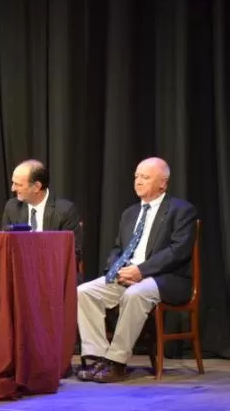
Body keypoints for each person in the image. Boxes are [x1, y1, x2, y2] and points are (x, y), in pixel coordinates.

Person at [76, 157, 197, 383]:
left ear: (163, 183)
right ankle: (98, 358)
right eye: (136, 177)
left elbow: (178, 251)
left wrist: (141, 271)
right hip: (128, 276)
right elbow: (118, 248)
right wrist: (117, 268)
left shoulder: (181, 210)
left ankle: (117, 363)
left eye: (145, 177)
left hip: (166, 278)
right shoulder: (130, 213)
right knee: (84, 292)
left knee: (135, 294)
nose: (138, 181)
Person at [1, 159, 82, 261]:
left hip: (53, 270)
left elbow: (73, 254)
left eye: (18, 185)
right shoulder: (12, 208)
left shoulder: (65, 211)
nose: (13, 188)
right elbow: (5, 247)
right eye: (13, 183)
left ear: (36, 187)